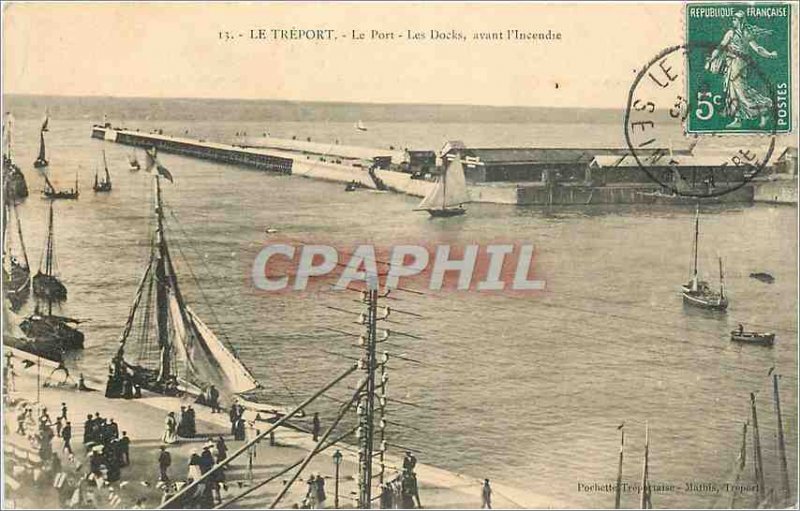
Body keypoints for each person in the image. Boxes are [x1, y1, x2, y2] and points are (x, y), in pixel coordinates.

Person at [705, 10, 778, 129]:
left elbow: (757, 48)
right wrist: (712, 58)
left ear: (741, 21)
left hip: (740, 64)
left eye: (735, 19)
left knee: (741, 91)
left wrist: (769, 55)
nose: (733, 21)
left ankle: (763, 110)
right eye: (733, 19)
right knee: (732, 91)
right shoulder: (730, 33)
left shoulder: (746, 33)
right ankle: (738, 118)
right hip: (731, 64)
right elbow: (721, 47)